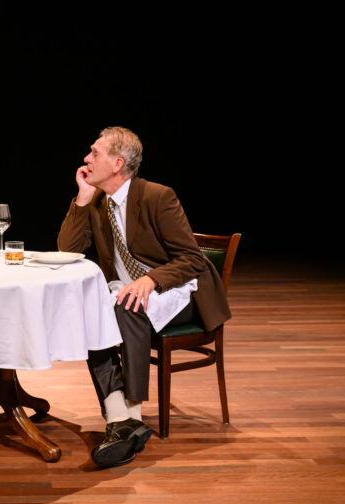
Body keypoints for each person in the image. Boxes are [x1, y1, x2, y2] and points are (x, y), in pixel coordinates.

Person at [57, 126, 231, 468]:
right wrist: (80, 196)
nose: (86, 159)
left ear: (118, 163)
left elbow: (193, 259)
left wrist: (151, 280)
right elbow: (68, 249)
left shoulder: (157, 196)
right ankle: (122, 421)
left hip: (179, 292)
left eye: (94, 153)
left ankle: (129, 414)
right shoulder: (95, 201)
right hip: (130, 291)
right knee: (94, 310)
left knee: (127, 305)